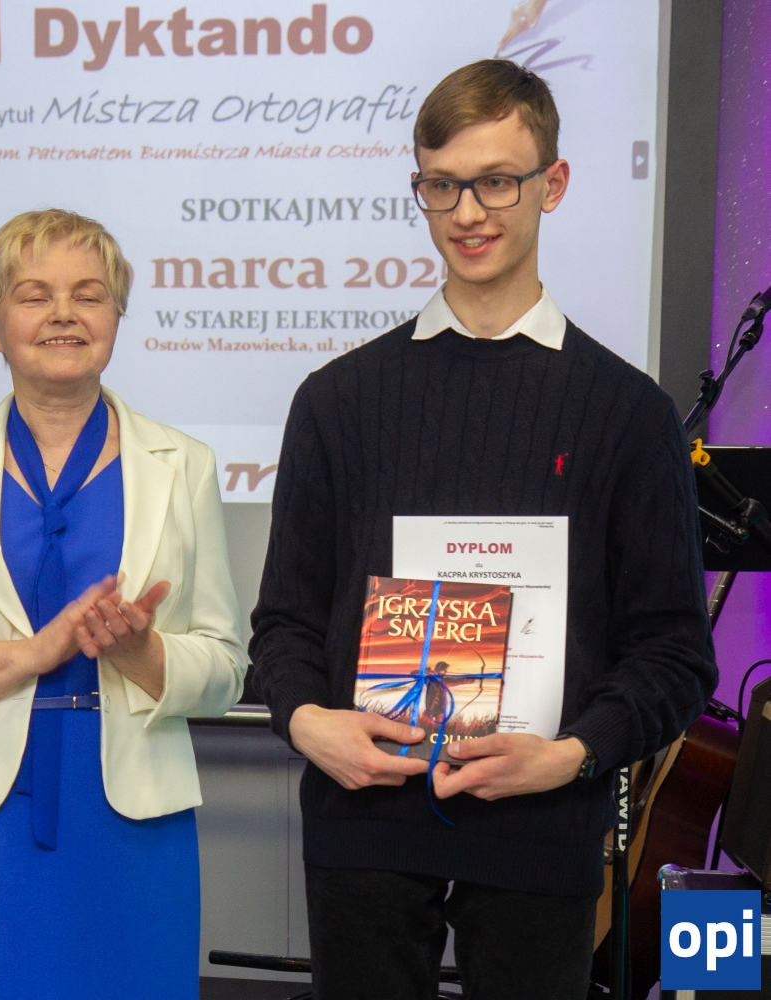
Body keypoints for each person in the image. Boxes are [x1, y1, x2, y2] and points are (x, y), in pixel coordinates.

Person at [250, 60, 717, 1000]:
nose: (468, 212)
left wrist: (572, 754)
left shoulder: (629, 414)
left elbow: (674, 653)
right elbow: (284, 627)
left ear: (553, 182)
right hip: (364, 820)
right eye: (442, 185)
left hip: (543, 825)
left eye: (497, 181)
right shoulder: (337, 402)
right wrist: (309, 725)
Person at [0, 209, 248, 999]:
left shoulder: (184, 464)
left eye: (88, 294)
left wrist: (141, 653)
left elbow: (226, 668)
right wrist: (31, 656)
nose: (64, 313)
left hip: (129, 822)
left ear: (116, 318)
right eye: (35, 295)